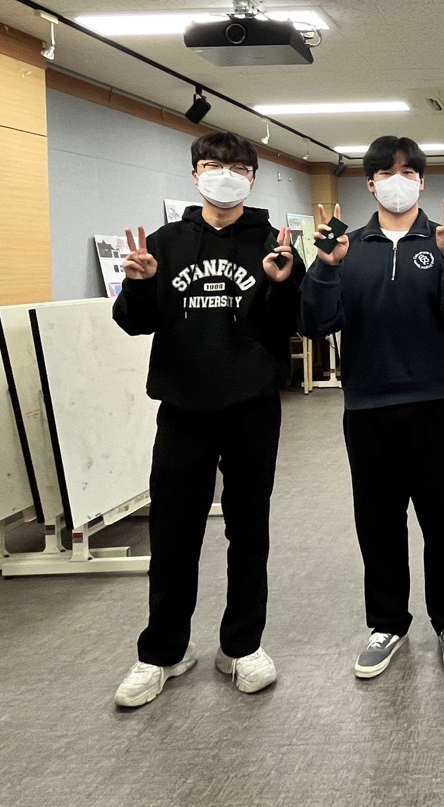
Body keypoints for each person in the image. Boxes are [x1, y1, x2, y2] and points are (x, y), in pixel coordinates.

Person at [111, 130, 305, 708]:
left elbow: (289, 325)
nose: (226, 175)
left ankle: (242, 645)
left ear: (252, 178)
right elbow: (134, 322)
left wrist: (281, 284)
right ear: (196, 173)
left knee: (249, 530)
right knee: (173, 532)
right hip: (183, 408)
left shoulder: (274, 242)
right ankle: (162, 652)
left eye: (238, 167)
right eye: (214, 165)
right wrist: (139, 284)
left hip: (253, 407)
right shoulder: (165, 243)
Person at [299, 136, 444, 680]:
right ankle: (386, 624)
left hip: (438, 404)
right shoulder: (347, 245)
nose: (397, 181)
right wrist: (326, 266)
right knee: (378, 522)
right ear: (371, 183)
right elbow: (314, 323)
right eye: (386, 172)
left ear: (422, 181)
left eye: (407, 172)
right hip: (368, 405)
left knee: (443, 520)